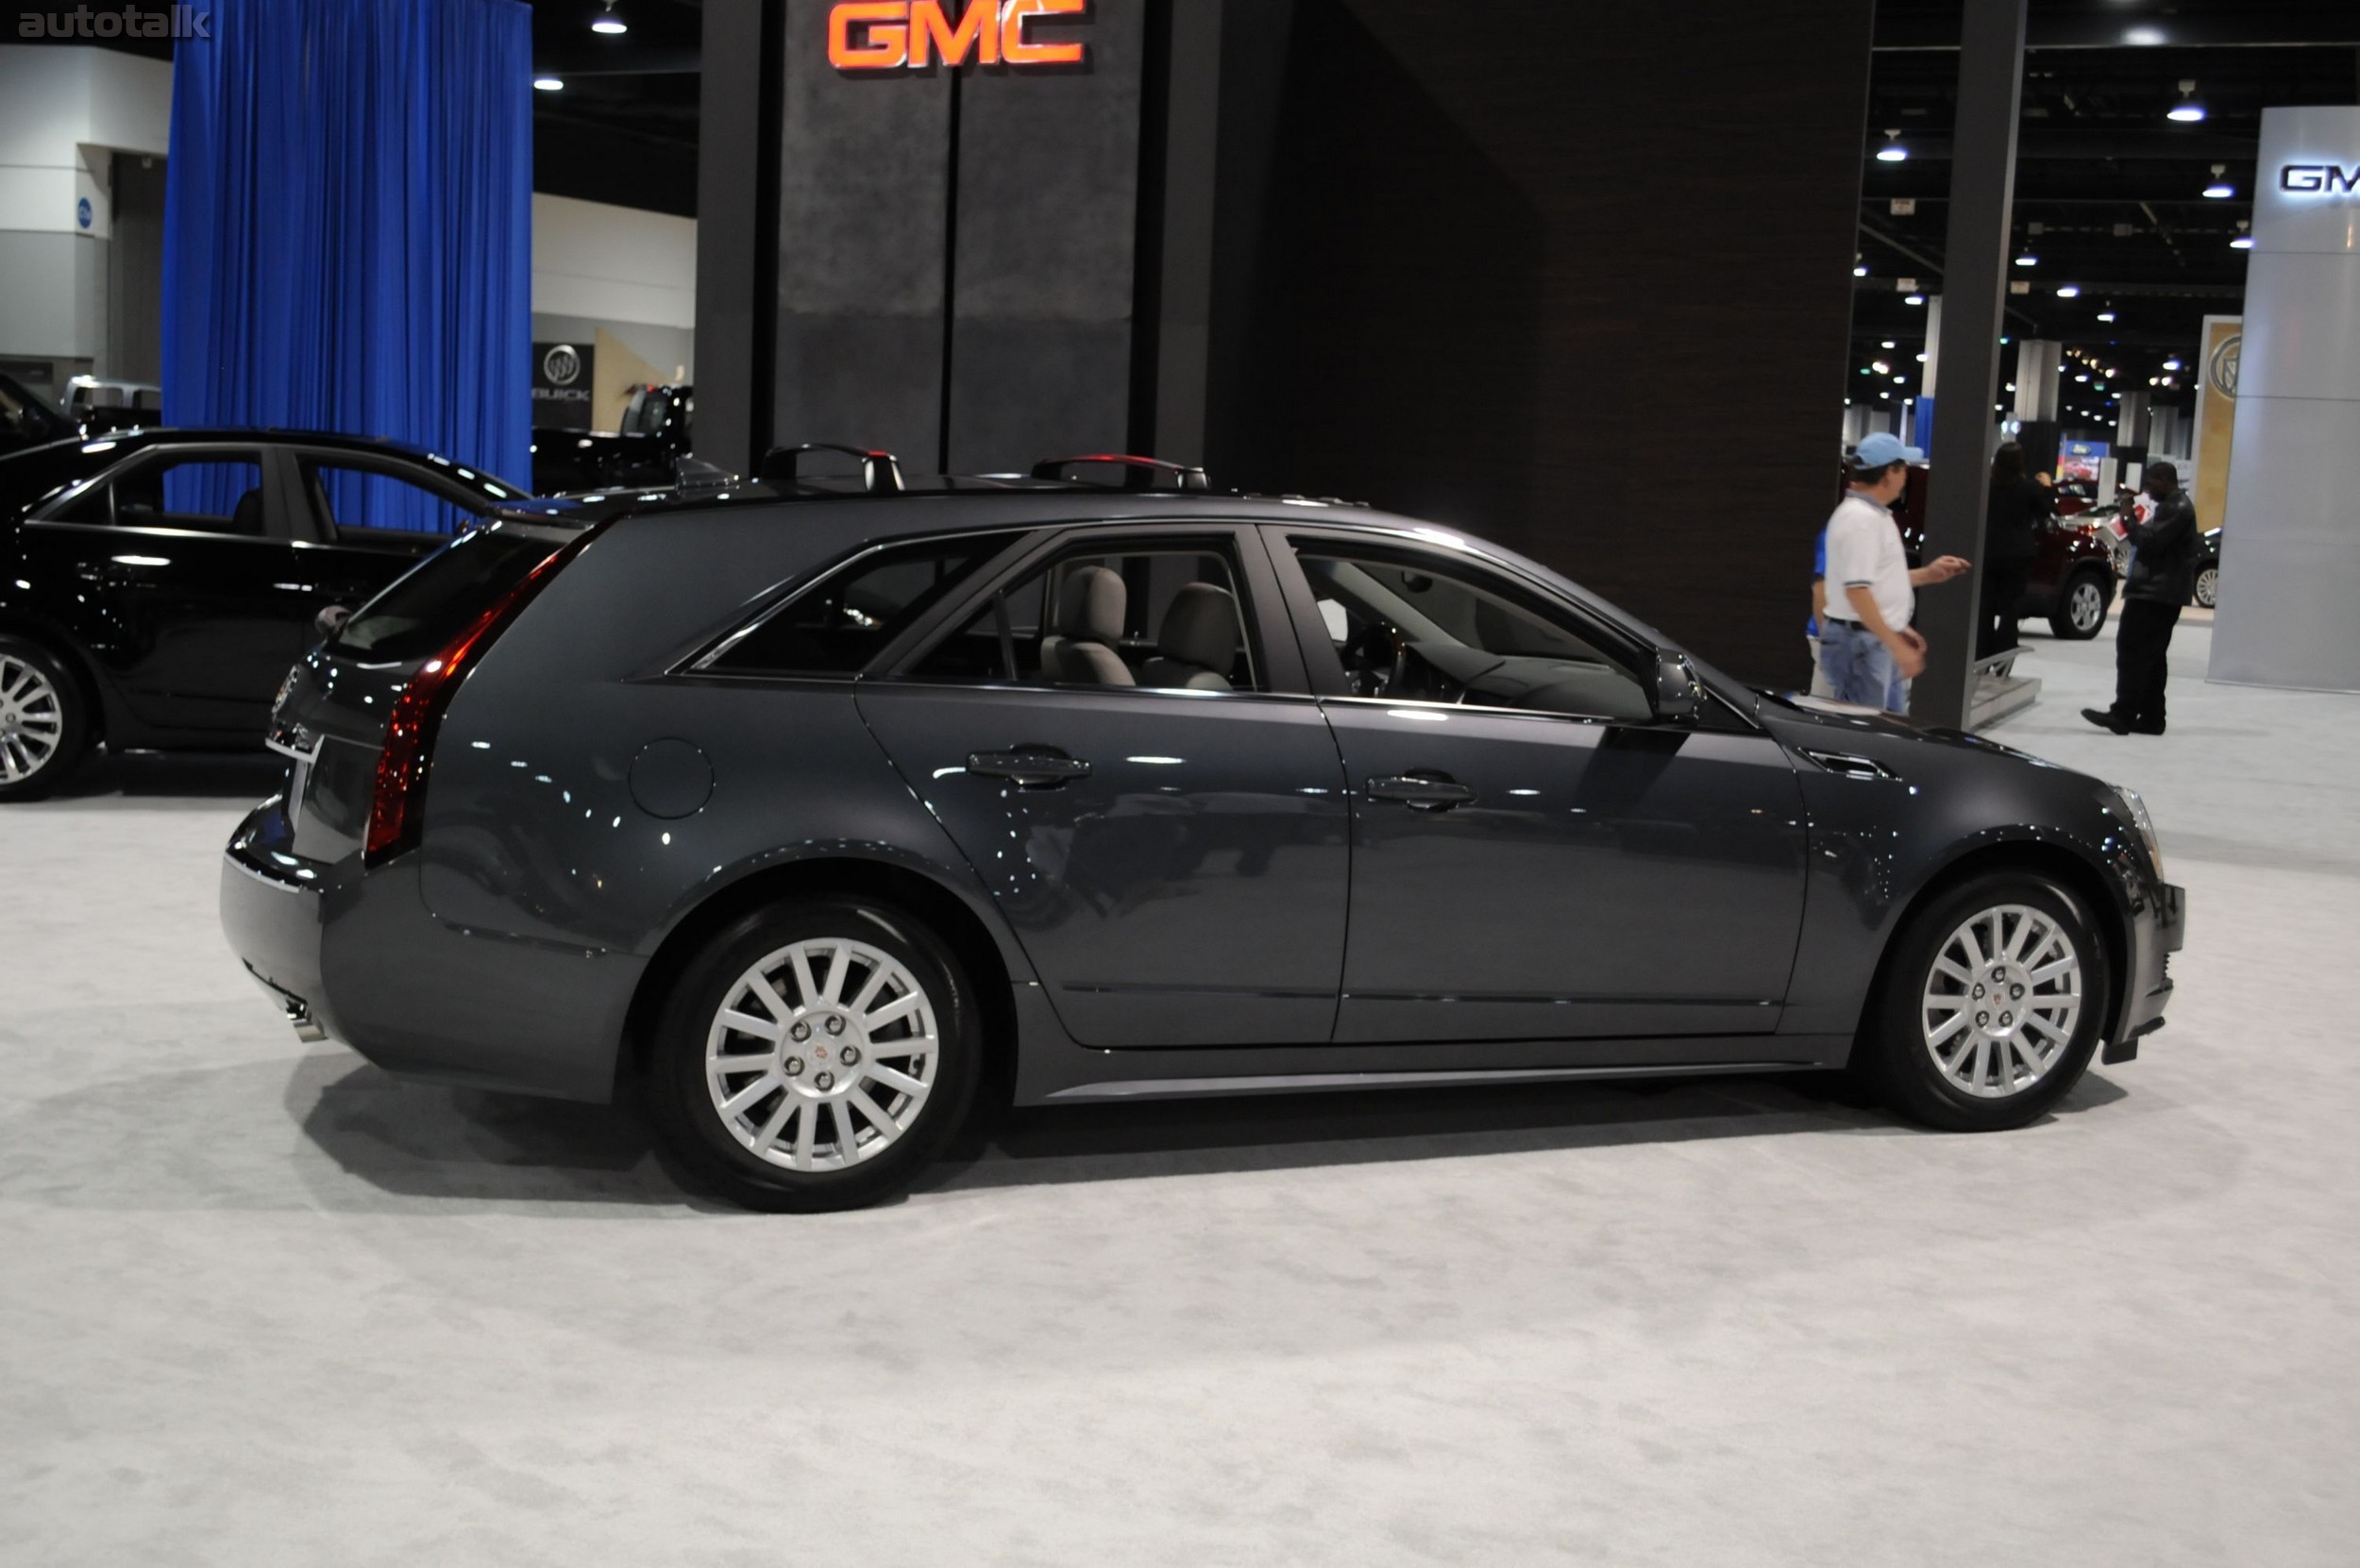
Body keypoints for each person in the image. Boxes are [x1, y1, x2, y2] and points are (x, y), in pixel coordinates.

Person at [1817, 432, 1971, 712]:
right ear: (1890, 473)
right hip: (1862, 646)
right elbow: (1857, 592)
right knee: (1865, 739)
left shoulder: (1871, 515)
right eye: (1904, 469)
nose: (1906, 478)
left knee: (1886, 731)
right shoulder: (1861, 520)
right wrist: (1895, 643)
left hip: (1869, 641)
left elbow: (1871, 583)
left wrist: (1927, 575)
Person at [2083, 460, 2197, 735]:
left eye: (2150, 483)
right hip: (2159, 593)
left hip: (2155, 595)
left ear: (2165, 480)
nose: (2147, 488)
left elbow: (2150, 542)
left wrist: (2128, 518)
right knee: (2152, 658)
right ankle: (2152, 718)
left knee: (2133, 652)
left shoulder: (2177, 508)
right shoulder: (2173, 506)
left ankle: (2122, 715)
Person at [1979, 442, 2051, 659]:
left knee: (1985, 606)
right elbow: (2047, 510)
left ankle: (1980, 656)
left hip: (1988, 551)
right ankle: (2004, 659)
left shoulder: (1987, 486)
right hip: (2018, 553)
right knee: (2011, 608)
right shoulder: (2028, 488)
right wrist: (2047, 486)